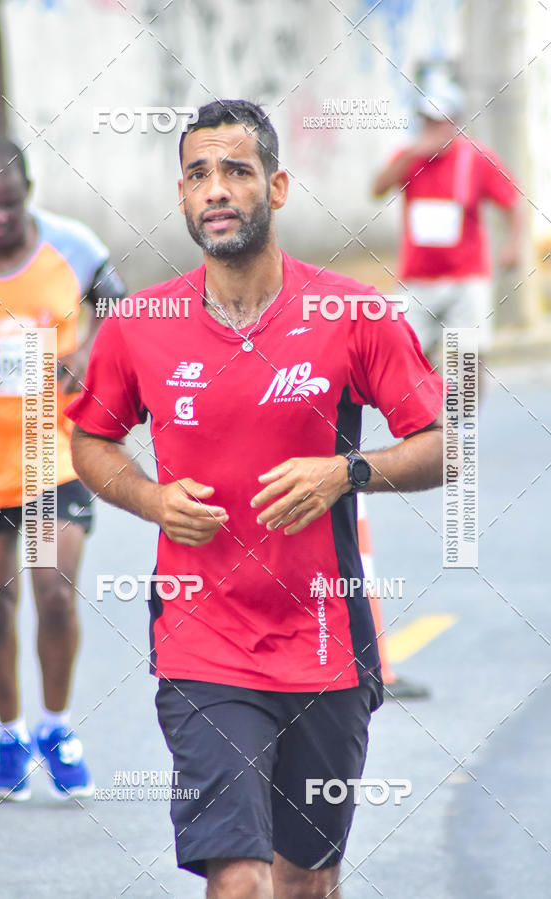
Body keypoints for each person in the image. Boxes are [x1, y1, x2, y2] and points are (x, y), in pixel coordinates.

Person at [67, 100, 444, 898]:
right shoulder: (142, 325)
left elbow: (443, 445)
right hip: (203, 639)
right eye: (199, 174)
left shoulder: (352, 313)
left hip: (325, 638)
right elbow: (92, 440)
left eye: (236, 170)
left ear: (275, 186)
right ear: (182, 197)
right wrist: (149, 496)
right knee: (240, 875)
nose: (217, 189)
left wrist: (347, 472)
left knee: (306, 877)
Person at [0, 137, 126, 800]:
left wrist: (89, 358)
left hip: (50, 453)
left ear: (29, 191)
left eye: (11, 203)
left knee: (54, 590)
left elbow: (120, 311)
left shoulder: (72, 247)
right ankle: (10, 735)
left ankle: (57, 726)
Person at [372, 76, 521, 392]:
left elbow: (511, 200)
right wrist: (413, 152)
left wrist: (512, 244)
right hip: (418, 278)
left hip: (466, 277)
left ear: (455, 124)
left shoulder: (476, 158)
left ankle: (461, 431)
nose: (435, 129)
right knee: (406, 352)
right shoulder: (411, 157)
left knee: (466, 360)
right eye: (429, 122)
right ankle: (429, 422)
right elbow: (378, 189)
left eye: (441, 122)